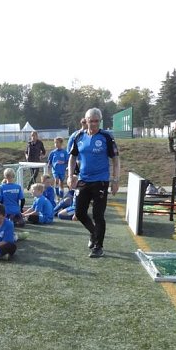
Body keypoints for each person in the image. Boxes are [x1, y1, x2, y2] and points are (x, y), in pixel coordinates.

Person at [67, 108, 120, 258]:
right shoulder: (79, 136)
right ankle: (93, 233)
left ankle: (98, 247)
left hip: (101, 181)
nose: (94, 124)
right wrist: (70, 176)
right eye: (91, 121)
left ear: (100, 121)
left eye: (97, 121)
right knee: (79, 213)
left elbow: (116, 159)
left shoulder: (106, 137)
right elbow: (72, 157)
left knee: (98, 215)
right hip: (84, 180)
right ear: (86, 121)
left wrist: (115, 180)